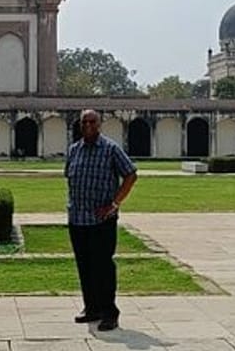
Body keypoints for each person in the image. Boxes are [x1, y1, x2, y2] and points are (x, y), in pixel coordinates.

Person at [64, 108, 138, 332]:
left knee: (103, 268)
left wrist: (114, 204)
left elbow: (131, 175)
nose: (87, 125)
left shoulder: (110, 149)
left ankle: (109, 313)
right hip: (78, 218)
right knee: (85, 267)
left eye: (92, 122)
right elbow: (69, 177)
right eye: (84, 122)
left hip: (101, 221)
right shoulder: (74, 149)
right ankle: (92, 308)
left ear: (99, 124)